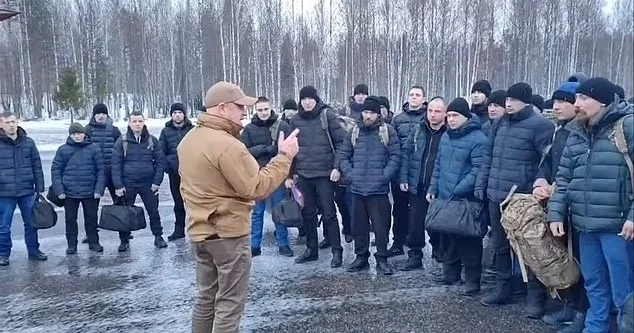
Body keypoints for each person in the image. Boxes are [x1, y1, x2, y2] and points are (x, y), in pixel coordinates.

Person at [178, 81, 299, 333]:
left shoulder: (189, 140)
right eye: (239, 106)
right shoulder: (227, 145)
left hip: (201, 232)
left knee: (205, 299)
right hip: (227, 235)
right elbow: (256, 187)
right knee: (229, 304)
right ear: (221, 108)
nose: (244, 112)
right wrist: (285, 157)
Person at [548, 77, 634, 333]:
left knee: (623, 288)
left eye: (584, 98)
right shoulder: (576, 132)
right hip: (585, 225)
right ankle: (595, 327)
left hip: (617, 227)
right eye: (577, 99)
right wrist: (556, 213)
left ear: (604, 102)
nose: (577, 104)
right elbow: (563, 178)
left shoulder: (626, 128)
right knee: (594, 282)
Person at [475, 82, 554, 316]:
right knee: (499, 246)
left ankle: (536, 298)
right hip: (496, 195)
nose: (508, 104)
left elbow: (547, 163)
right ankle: (503, 288)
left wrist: (537, 189)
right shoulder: (498, 124)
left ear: (526, 102)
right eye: (507, 100)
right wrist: (483, 185)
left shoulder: (541, 126)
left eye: (514, 100)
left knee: (530, 248)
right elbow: (487, 158)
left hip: (522, 200)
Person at [534, 81, 588, 333]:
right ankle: (568, 304)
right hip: (558, 204)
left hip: (578, 207)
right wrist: (541, 181)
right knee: (565, 258)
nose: (556, 107)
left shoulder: (583, 132)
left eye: (562, 102)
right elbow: (547, 161)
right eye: (554, 102)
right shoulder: (559, 130)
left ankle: (583, 313)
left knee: (583, 262)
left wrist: (560, 187)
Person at [427, 97, 486, 295]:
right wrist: (433, 188)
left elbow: (478, 169)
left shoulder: (478, 138)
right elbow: (438, 165)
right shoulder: (446, 136)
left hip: (465, 198)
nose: (451, 119)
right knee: (448, 236)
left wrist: (459, 188)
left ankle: (472, 280)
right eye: (449, 115)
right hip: (445, 195)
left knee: (468, 240)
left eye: (455, 116)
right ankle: (450, 273)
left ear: (466, 117)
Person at [340, 96, 400, 275]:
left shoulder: (387, 131)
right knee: (359, 226)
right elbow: (343, 156)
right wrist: (351, 175)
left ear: (378, 113)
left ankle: (382, 258)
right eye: (365, 112)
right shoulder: (353, 131)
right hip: (357, 189)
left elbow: (395, 156)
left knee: (381, 227)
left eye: (371, 112)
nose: (367, 116)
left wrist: (384, 176)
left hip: (379, 190)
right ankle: (361, 257)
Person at [287, 85, 346, 267]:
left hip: (325, 175)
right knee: (308, 214)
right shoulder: (295, 120)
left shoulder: (327, 116)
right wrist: (289, 175)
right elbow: (290, 150)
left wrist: (337, 168)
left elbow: (342, 143)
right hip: (304, 175)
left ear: (316, 99)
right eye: (304, 99)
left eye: (310, 98)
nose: (307, 102)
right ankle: (311, 250)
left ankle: (337, 251)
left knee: (329, 214)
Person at [240, 96, 294, 257]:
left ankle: (283, 244)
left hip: (277, 176)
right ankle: (255, 245)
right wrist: (263, 149)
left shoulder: (282, 126)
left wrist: (290, 175)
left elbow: (292, 151)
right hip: (256, 176)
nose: (263, 113)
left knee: (279, 211)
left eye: (265, 109)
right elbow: (243, 152)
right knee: (257, 213)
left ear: (271, 108)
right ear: (255, 111)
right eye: (260, 110)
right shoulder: (249, 129)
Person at [399, 96, 447, 270]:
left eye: (437, 111)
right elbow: (406, 153)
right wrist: (403, 177)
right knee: (415, 222)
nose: (433, 115)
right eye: (430, 111)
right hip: (418, 184)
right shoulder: (419, 130)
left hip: (440, 188)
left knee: (438, 223)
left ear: (445, 113)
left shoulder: (449, 133)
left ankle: (439, 250)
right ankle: (415, 255)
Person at [111, 111, 167, 252]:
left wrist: (156, 182)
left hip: (148, 184)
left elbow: (160, 162)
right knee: (124, 213)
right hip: (128, 183)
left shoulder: (152, 140)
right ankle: (124, 240)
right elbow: (115, 165)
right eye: (134, 121)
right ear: (129, 123)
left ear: (144, 122)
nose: (137, 124)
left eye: (140, 121)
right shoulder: (122, 141)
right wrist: (118, 185)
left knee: (153, 212)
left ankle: (158, 237)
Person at [0, 112, 47, 266]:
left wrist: (39, 187)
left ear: (17, 122)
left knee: (32, 223)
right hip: (4, 192)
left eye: (13, 122)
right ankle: (3, 254)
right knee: (4, 225)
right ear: (1, 125)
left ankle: (34, 251)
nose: (11, 125)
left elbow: (36, 166)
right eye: (7, 122)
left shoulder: (28, 143)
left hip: (27, 190)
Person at [51, 123, 105, 254]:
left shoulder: (94, 149)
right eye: (73, 134)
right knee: (70, 220)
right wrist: (60, 191)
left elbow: (101, 171)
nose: (76, 136)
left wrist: (99, 190)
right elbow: (56, 171)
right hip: (69, 193)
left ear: (84, 134)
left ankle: (94, 242)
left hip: (90, 192)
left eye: (79, 133)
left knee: (91, 219)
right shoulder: (63, 150)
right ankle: (71, 245)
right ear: (70, 135)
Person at [389, 85, 428, 257]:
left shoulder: (428, 118)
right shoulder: (398, 119)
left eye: (417, 95)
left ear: (423, 98)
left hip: (420, 172)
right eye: (411, 94)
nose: (414, 97)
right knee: (399, 209)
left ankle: (421, 244)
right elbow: (393, 145)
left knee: (419, 211)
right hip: (400, 171)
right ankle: (398, 242)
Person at [83, 103, 123, 244]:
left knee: (119, 203)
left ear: (107, 115)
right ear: (94, 115)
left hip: (112, 172)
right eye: (98, 114)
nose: (100, 116)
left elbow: (120, 150)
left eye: (103, 114)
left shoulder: (114, 130)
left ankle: (124, 231)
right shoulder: (88, 130)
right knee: (91, 207)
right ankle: (91, 234)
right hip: (95, 174)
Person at [159, 103, 194, 241]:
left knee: (194, 203)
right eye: (175, 113)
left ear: (184, 114)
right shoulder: (166, 132)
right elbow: (161, 152)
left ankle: (197, 230)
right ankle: (179, 230)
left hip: (192, 173)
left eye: (180, 112)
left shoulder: (192, 130)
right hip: (174, 173)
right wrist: (169, 166)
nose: (177, 115)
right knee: (178, 203)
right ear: (171, 115)